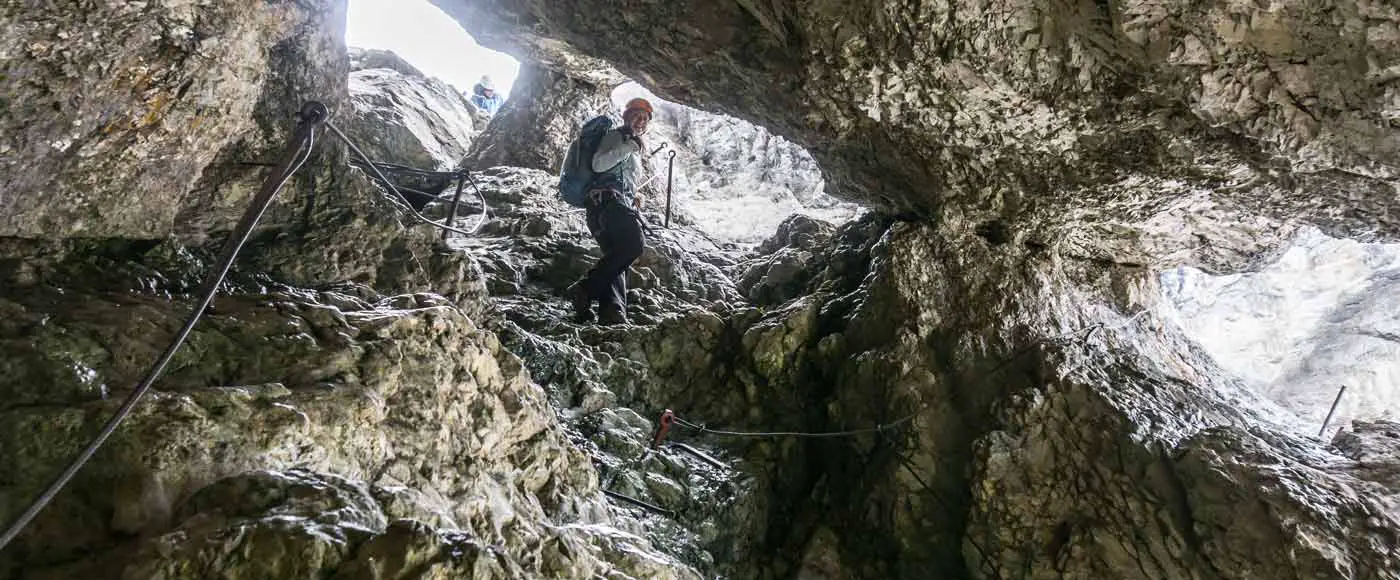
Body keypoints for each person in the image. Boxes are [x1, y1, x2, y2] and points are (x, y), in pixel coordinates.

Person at [568, 97, 653, 325]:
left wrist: (635, 195)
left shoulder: (631, 146)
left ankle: (612, 313)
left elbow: (622, 178)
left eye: (645, 118)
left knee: (616, 261)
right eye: (636, 115)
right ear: (626, 116)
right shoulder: (616, 137)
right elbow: (598, 165)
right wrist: (627, 147)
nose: (640, 121)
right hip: (607, 204)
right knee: (634, 245)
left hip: (609, 207)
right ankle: (585, 288)